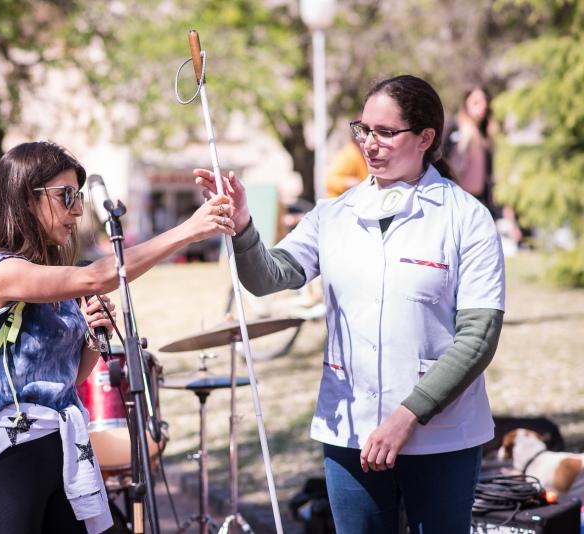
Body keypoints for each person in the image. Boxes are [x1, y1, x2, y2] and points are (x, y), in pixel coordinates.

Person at [194, 75, 505, 533]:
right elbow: (267, 277)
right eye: (363, 129)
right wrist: (242, 228)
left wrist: (407, 415)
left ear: (425, 138)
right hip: (350, 434)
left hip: (441, 437)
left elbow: (478, 338)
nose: (369, 144)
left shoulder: (467, 218)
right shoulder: (333, 214)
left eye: (385, 132)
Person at [0, 140, 235, 534]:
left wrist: (94, 341)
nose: (77, 209)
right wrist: (187, 231)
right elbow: (95, 276)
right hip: (11, 458)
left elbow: (70, 378)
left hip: (61, 449)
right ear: (27, 198)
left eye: (78, 196)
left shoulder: (45, 278)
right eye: (66, 196)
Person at [443, 85, 522, 246]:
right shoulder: (453, 129)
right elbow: (437, 159)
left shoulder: (487, 135)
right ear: (465, 103)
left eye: (485, 102)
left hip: (477, 201)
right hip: (454, 199)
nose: (482, 107)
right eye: (476, 102)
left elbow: (488, 176)